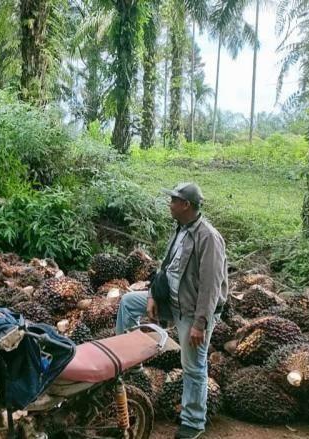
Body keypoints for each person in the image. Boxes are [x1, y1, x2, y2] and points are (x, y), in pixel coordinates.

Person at [115, 182, 227, 439]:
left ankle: (193, 422)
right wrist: (154, 294)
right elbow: (164, 269)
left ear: (186, 205)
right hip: (172, 301)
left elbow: (210, 287)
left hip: (193, 309)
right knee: (128, 303)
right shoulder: (181, 230)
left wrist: (200, 324)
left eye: (174, 200)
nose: (170, 203)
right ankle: (129, 364)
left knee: (193, 365)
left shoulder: (208, 237)